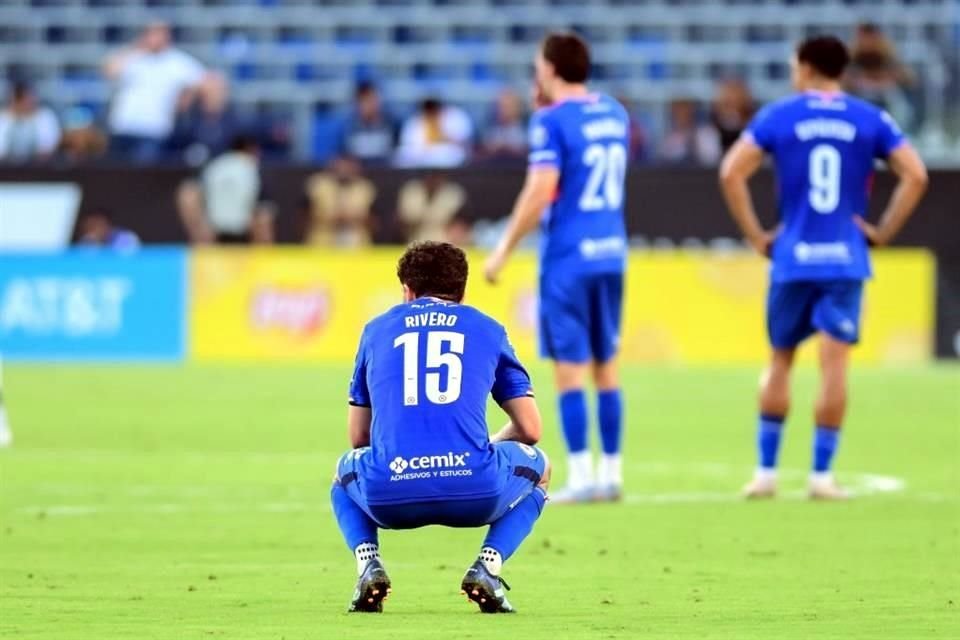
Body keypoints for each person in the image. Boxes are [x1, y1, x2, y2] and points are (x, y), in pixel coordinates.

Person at [719, 35, 928, 500]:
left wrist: (756, 235)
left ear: (808, 67)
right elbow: (916, 173)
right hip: (845, 258)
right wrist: (884, 230)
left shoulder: (780, 115)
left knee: (780, 359)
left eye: (795, 64)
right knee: (834, 366)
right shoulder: (869, 117)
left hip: (793, 256)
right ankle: (821, 476)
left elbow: (731, 171)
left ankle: (766, 473)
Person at [332, 241, 549, 614]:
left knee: (342, 473)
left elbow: (359, 438)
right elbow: (530, 428)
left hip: (389, 497)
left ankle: (368, 565)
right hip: (475, 491)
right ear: (462, 292)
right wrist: (487, 446)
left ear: (407, 291)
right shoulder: (488, 329)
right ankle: (488, 567)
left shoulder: (376, 330)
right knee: (541, 468)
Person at [483, 32, 630, 503]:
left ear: (549, 69)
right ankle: (611, 472)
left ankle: (583, 475)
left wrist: (504, 246)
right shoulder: (614, 112)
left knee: (570, 368)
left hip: (569, 255)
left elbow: (542, 187)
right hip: (611, 251)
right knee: (606, 366)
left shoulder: (550, 121)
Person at [103, 21, 205, 163]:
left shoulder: (177, 62)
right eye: (151, 33)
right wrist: (135, 47)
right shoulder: (134, 57)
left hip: (153, 130)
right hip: (123, 126)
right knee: (117, 176)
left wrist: (186, 97)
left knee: (144, 177)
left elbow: (204, 81)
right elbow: (109, 71)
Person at [176, 136, 275, 244]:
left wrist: (198, 230)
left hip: (211, 235)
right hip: (243, 233)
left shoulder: (213, 166)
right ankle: (262, 257)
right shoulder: (252, 169)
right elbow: (264, 213)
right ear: (251, 150)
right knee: (264, 215)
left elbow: (187, 195)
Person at [303, 156, 376, 247]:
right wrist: (330, 218)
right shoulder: (318, 185)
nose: (344, 170)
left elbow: (375, 221)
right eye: (341, 166)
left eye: (348, 166)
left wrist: (352, 218)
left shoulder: (365, 187)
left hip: (356, 242)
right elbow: (303, 217)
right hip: (322, 241)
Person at [171, 72, 240, 164]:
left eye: (217, 91)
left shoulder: (236, 121)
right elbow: (175, 149)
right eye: (208, 93)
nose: (214, 96)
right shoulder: (188, 120)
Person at [394, 98, 473, 168]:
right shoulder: (415, 121)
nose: (431, 110)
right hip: (421, 160)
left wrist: (444, 135)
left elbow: (463, 143)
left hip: (448, 156)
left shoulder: (456, 116)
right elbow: (409, 146)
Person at [396, 171, 467, 243]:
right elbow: (407, 218)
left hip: (445, 240)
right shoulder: (411, 189)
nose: (434, 180)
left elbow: (457, 222)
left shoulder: (453, 192)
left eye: (437, 176)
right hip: (415, 239)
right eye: (431, 176)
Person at [0, 83, 61, 163]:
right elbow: (2, 150)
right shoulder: (3, 117)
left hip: (40, 167)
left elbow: (48, 147)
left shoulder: (45, 116)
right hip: (6, 168)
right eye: (21, 100)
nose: (27, 103)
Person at [341, 82, 396, 165]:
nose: (369, 105)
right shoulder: (348, 127)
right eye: (364, 101)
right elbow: (344, 157)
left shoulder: (392, 124)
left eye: (372, 100)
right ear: (357, 103)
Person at [657, 98, 721, 166]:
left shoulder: (706, 133)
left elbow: (712, 160)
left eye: (685, 110)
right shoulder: (669, 137)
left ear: (692, 111)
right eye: (678, 111)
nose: (682, 114)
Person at [479, 89, 527, 160]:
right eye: (501, 106)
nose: (504, 110)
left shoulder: (526, 129)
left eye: (508, 106)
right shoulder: (490, 129)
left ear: (517, 108)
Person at [710, 78, 755, 152]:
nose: (733, 98)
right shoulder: (709, 131)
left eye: (736, 93)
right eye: (728, 93)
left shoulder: (753, 128)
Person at [76, 209, 140, 251]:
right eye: (89, 226)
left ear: (108, 225)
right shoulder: (87, 241)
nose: (94, 229)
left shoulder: (123, 237)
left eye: (97, 225)